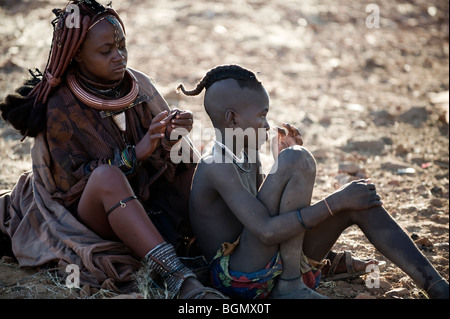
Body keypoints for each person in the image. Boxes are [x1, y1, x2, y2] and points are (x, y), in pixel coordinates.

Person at [0, 0, 226, 299]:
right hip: (91, 218)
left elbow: (169, 163)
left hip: (147, 202)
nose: (118, 57)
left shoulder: (139, 84)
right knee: (108, 177)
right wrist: (137, 153)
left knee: (201, 167)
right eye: (105, 51)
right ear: (77, 54)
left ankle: (223, 257)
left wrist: (170, 137)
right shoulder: (60, 107)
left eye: (122, 46)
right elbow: (72, 188)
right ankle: (179, 278)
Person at [178, 64, 449, 299]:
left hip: (267, 261)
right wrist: (334, 201)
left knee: (358, 201)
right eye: (262, 115)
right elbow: (266, 230)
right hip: (236, 277)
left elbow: (262, 208)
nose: (267, 125)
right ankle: (291, 285)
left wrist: (279, 163)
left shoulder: (246, 154)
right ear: (232, 119)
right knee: (301, 161)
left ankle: (436, 286)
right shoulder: (217, 163)